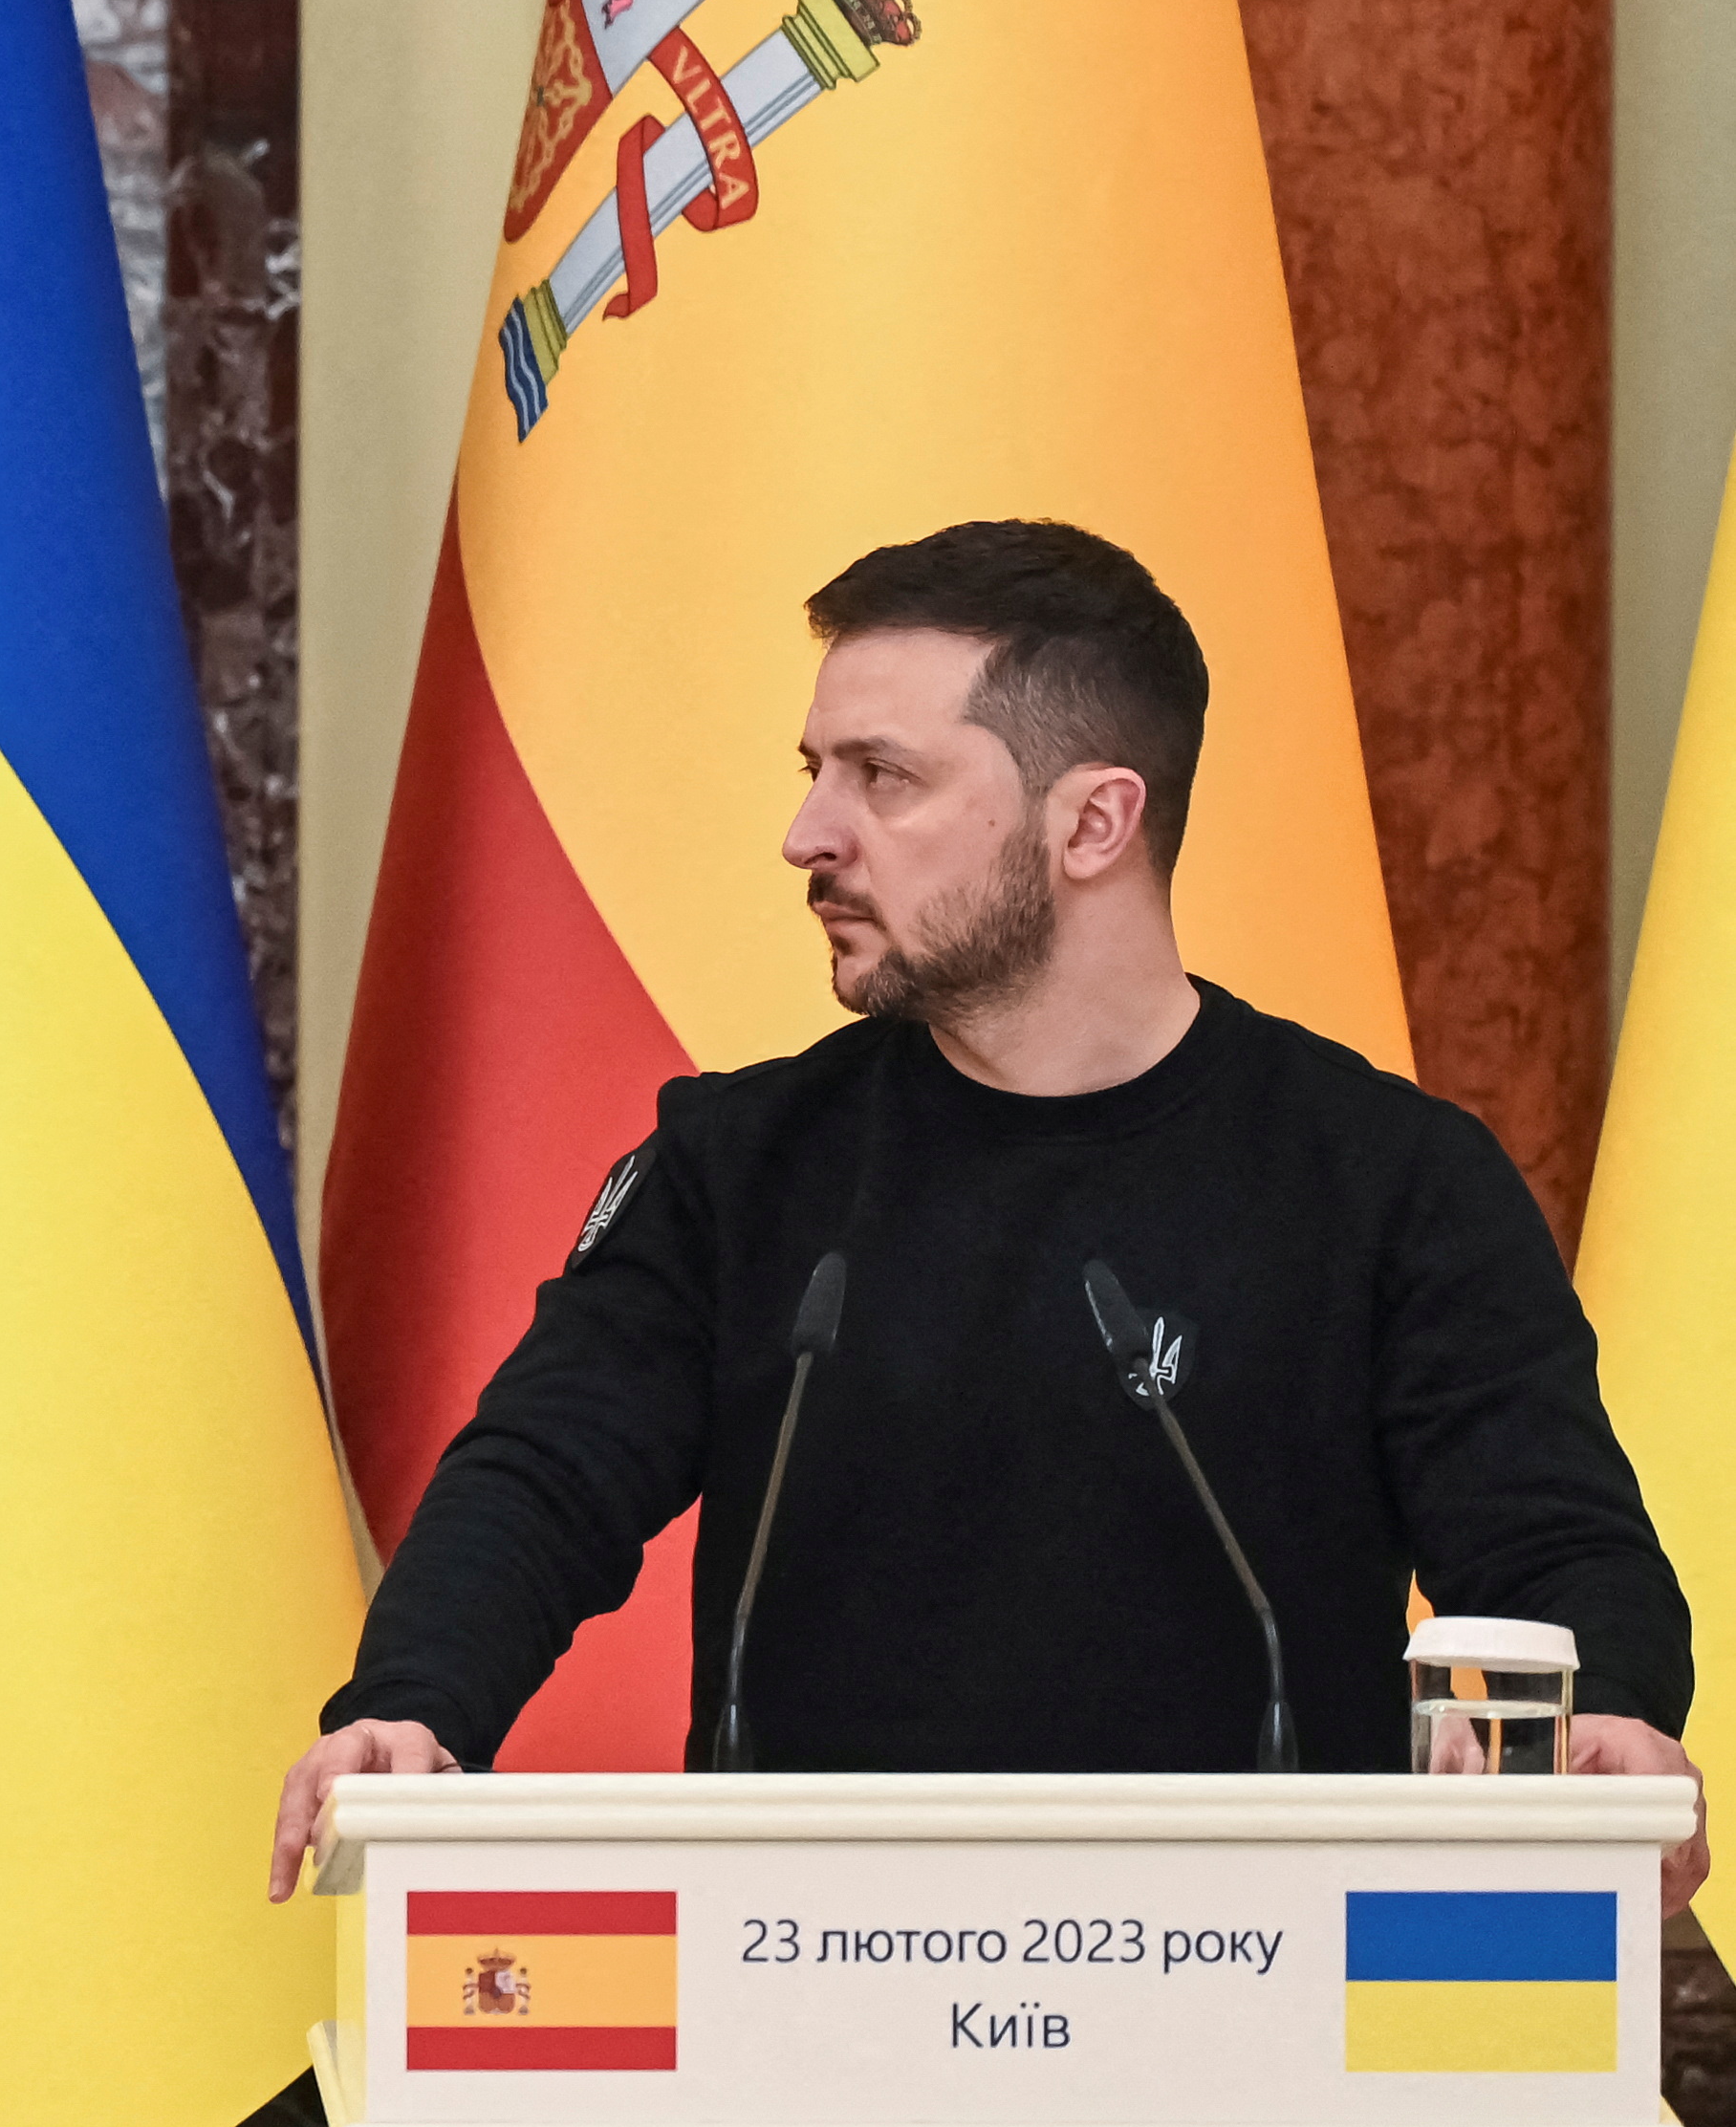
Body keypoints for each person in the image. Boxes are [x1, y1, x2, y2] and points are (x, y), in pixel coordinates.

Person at [270, 519, 1702, 1907]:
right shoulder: (742, 1164)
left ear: (1091, 819)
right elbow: (543, 1476)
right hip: (790, 1997)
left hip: (1255, 2019)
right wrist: (414, 1705)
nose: (804, 832)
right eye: (813, 769)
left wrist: (1606, 1716)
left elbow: (1552, 1550)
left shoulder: (1388, 1180)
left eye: (881, 777)